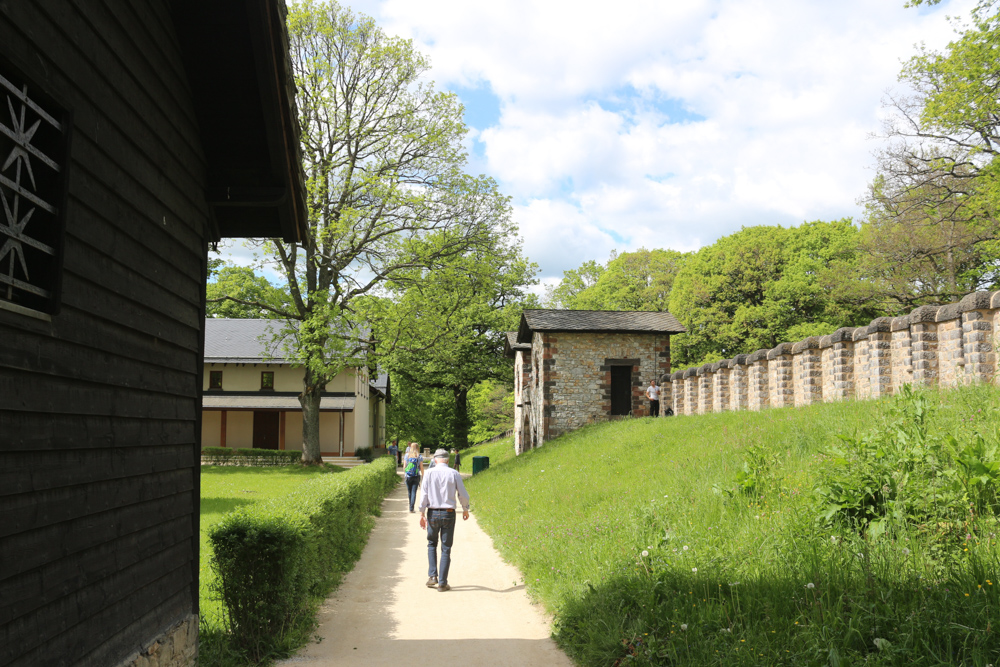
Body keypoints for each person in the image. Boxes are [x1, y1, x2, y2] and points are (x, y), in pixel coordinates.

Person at [419, 448, 470, 592]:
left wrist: (422, 513)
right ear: (448, 460)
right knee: (446, 548)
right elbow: (463, 494)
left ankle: (432, 576)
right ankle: (442, 583)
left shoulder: (428, 473)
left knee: (431, 543)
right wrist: (465, 508)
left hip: (433, 512)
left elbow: (424, 495)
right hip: (448, 513)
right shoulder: (454, 473)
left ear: (435, 460)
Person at [402, 443, 423, 512]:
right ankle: (411, 508)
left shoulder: (407, 455)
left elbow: (404, 466)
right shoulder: (419, 456)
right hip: (416, 476)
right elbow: (421, 468)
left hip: (408, 476)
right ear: (417, 448)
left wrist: (405, 474)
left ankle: (410, 506)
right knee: (414, 492)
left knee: (409, 491)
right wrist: (423, 476)